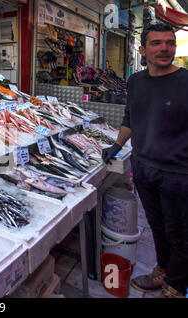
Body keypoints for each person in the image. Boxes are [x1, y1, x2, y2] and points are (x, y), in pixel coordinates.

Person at [102, 23, 188, 298]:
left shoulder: (186, 82)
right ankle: (163, 271)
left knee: (180, 234)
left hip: (178, 173)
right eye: (156, 43)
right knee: (157, 227)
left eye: (169, 43)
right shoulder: (136, 81)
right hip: (143, 168)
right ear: (142, 49)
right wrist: (116, 146)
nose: (165, 49)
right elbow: (131, 118)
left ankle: (175, 287)